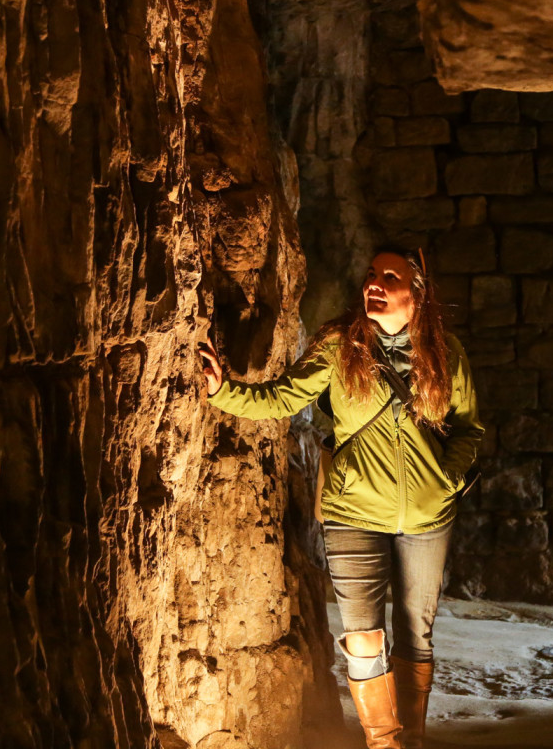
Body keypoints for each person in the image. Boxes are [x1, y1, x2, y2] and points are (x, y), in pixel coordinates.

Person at [198, 247, 483, 749]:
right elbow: (284, 397)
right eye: (371, 275)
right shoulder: (339, 346)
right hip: (353, 513)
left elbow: (467, 430)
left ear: (416, 292)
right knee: (364, 635)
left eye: (388, 276)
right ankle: (384, 743)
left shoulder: (446, 353)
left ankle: (411, 737)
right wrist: (224, 392)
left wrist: (448, 480)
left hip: (426, 516)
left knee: (416, 633)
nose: (373, 283)